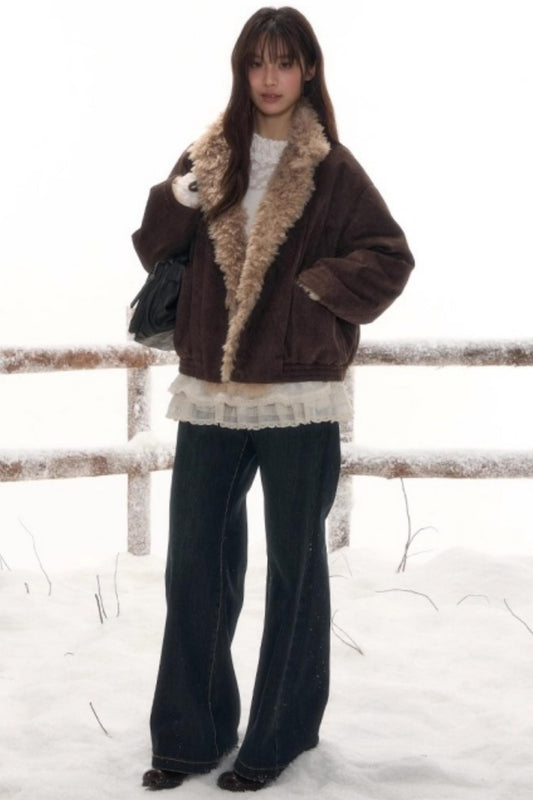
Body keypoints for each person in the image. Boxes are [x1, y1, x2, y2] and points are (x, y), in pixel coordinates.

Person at [132, 6, 414, 792]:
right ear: (241, 68)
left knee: (295, 572)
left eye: (283, 62)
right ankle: (188, 738)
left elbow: (388, 257)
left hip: (298, 395)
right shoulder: (207, 154)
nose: (268, 77)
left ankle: (277, 737)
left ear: (307, 70)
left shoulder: (332, 168)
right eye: (256, 61)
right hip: (211, 393)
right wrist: (179, 198)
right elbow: (152, 247)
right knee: (195, 566)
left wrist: (311, 294)